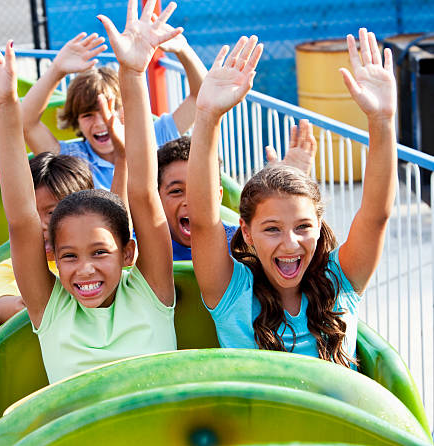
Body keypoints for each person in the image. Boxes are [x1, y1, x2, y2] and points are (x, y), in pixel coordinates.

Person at [0, 2, 180, 383]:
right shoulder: (51, 308)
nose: (85, 268)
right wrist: (5, 106)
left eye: (100, 252)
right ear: (53, 256)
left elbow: (142, 193)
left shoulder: (151, 291)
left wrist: (134, 73)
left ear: (128, 252)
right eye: (69, 255)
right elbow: (21, 219)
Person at [186, 29, 396, 367]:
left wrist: (382, 122)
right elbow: (202, 218)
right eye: (272, 229)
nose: (290, 243)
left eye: (302, 227)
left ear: (318, 226)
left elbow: (376, 215)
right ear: (247, 231)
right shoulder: (232, 293)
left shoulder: (338, 281)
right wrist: (208, 116)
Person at [20, 13, 207, 190]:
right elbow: (25, 123)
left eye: (111, 109)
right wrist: (57, 70)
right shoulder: (73, 159)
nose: (101, 122)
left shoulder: (154, 136)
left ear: (128, 108)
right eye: (88, 115)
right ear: (76, 120)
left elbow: (201, 97)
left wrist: (184, 50)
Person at [158, 127, 316, 261]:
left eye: (202, 190)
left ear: (219, 196)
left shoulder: (242, 242)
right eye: (177, 191)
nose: (192, 200)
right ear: (157, 198)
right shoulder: (140, 246)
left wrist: (289, 194)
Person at [0, 151, 94, 329]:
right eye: (29, 215)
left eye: (51, 213)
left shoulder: (104, 259)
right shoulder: (9, 269)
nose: (41, 225)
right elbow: (9, 308)